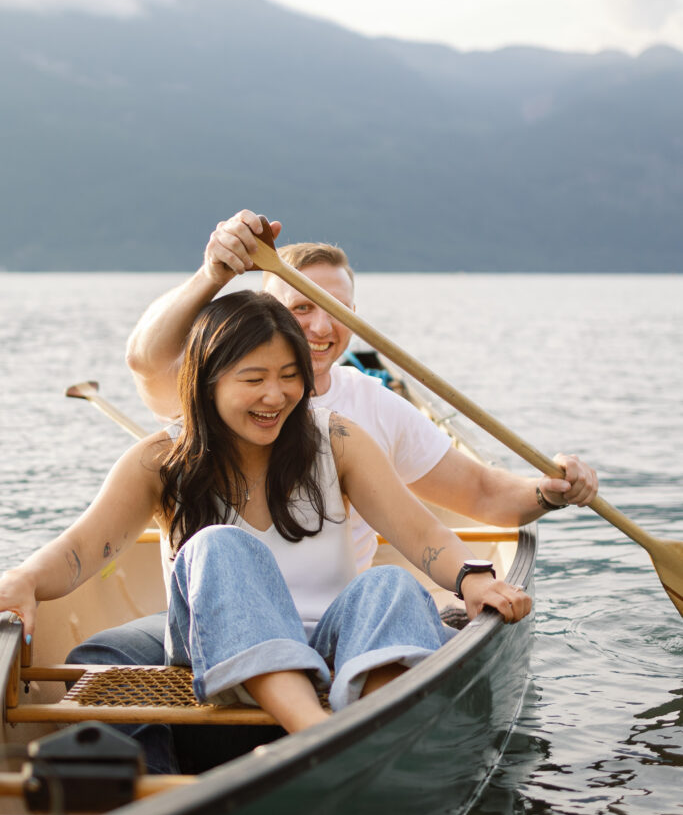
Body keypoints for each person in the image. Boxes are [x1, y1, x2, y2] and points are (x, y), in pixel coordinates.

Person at [0, 293, 530, 766]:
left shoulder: (337, 439)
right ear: (207, 382)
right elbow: (81, 549)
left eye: (289, 375)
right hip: (214, 671)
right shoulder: (160, 460)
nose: (275, 396)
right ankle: (321, 740)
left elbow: (420, 534)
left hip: (334, 653)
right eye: (253, 380)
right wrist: (25, 579)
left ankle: (379, 739)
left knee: (390, 585)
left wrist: (473, 578)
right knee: (219, 545)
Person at [126, 208, 599, 575]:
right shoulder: (213, 392)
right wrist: (214, 274)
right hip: (218, 620)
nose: (321, 326)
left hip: (332, 623)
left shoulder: (372, 405)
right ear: (264, 312)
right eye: (301, 307)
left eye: (338, 310)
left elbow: (481, 494)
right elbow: (145, 360)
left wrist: (551, 490)